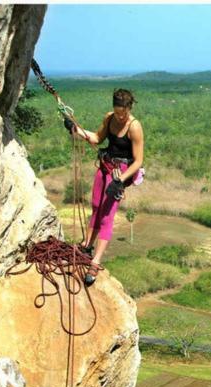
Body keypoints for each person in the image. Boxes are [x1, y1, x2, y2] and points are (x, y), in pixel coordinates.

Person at [64, 88, 144, 286]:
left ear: (129, 108)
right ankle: (87, 245)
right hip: (105, 165)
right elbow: (97, 138)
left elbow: (138, 161)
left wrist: (120, 180)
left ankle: (96, 261)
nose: (120, 115)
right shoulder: (109, 119)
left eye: (123, 112)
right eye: (117, 111)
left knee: (107, 215)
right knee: (96, 207)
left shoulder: (134, 127)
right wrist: (77, 129)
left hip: (121, 171)